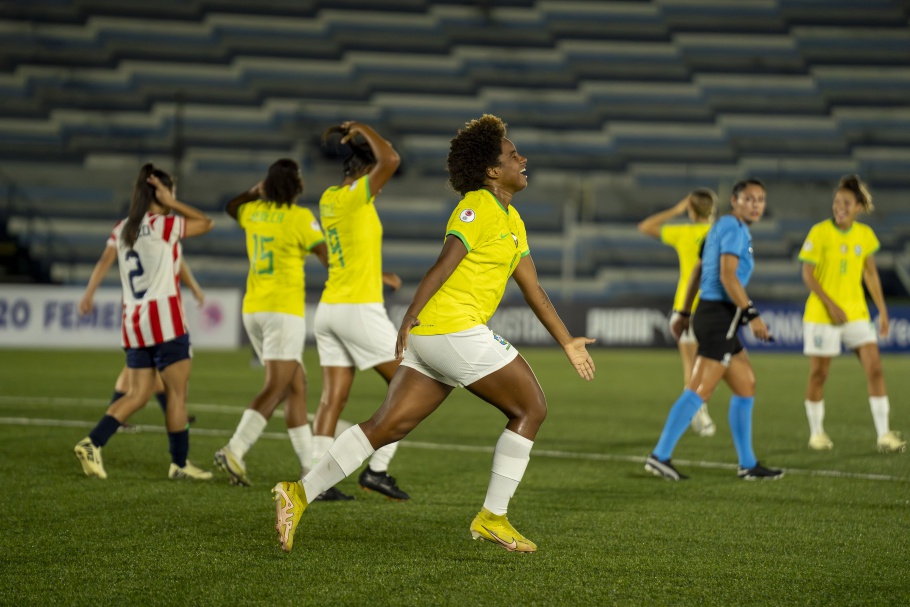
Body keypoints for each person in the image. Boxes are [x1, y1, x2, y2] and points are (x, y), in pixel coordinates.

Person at [271, 114, 596, 554]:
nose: (523, 158)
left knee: (387, 425)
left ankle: (299, 493)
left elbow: (533, 288)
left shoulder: (511, 219)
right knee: (531, 408)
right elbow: (443, 264)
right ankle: (492, 517)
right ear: (491, 171)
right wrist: (409, 315)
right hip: (452, 328)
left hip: (437, 336)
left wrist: (568, 341)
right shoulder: (477, 205)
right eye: (511, 154)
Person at [74, 163, 215, 480]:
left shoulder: (123, 227)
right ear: (160, 193)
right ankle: (179, 464)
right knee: (177, 395)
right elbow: (206, 222)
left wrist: (89, 293)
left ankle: (92, 441)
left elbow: (103, 260)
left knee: (137, 394)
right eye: (169, 191)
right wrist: (173, 202)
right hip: (166, 320)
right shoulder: (164, 225)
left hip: (134, 323)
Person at [644, 178, 783, 481]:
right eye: (749, 199)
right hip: (719, 316)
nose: (756, 204)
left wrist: (682, 311)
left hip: (710, 314)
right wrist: (753, 315)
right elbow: (728, 276)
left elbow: (696, 269)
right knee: (699, 389)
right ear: (734, 201)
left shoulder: (720, 227)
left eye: (760, 199)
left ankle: (747, 463)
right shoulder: (733, 229)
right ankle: (660, 456)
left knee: (746, 384)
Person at [214, 159, 328, 486]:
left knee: (296, 385)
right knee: (277, 386)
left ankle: (309, 466)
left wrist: (252, 192)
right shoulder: (300, 218)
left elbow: (230, 207)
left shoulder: (253, 213)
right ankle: (235, 448)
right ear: (297, 185)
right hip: (283, 311)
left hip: (253, 308)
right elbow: (325, 255)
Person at [311, 120, 408, 501]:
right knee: (412, 385)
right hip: (358, 310)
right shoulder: (356, 196)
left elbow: (347, 249)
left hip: (330, 308)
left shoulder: (329, 198)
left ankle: (316, 479)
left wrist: (377, 274)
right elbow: (392, 157)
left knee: (332, 398)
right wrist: (361, 127)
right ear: (367, 171)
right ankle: (377, 471)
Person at [798, 175, 906, 453]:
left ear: (858, 206)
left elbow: (870, 273)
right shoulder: (819, 232)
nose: (839, 207)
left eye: (846, 202)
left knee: (875, 368)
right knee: (819, 374)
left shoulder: (865, 235)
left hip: (856, 313)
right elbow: (808, 275)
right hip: (822, 315)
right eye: (836, 201)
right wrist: (831, 305)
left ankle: (884, 434)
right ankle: (816, 432)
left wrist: (882, 310)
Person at [80, 257, 205, 431]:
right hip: (150, 308)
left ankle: (120, 417)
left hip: (135, 306)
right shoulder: (156, 234)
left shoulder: (128, 234)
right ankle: (116, 419)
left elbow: (106, 260)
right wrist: (194, 288)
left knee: (143, 368)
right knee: (144, 374)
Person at [638, 189, 718, 437]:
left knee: (690, 364)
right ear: (713, 209)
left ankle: (699, 410)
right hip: (712, 308)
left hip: (684, 307)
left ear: (691, 209)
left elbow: (646, 227)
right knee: (708, 366)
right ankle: (699, 409)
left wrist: (676, 210)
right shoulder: (720, 234)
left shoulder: (683, 233)